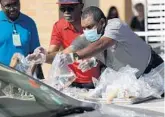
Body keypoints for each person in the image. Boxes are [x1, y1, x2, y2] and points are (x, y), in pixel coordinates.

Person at [61, 6, 164, 78]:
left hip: (153, 67)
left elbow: (101, 45)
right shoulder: (90, 38)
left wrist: (73, 57)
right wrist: (93, 60)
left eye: (89, 27)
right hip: (134, 79)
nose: (86, 31)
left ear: (102, 22)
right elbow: (61, 56)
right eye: (84, 28)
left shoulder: (115, 25)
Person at [45, 0, 101, 89]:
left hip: (93, 81)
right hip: (70, 81)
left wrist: (94, 59)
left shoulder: (93, 23)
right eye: (63, 8)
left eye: (71, 8)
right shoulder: (59, 26)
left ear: (81, 6)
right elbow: (52, 53)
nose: (66, 12)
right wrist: (43, 56)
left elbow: (104, 49)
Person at [0, 0, 40, 66]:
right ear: (1, 6)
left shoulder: (29, 23)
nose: (12, 9)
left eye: (15, 4)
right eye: (8, 6)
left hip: (23, 74)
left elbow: (35, 53)